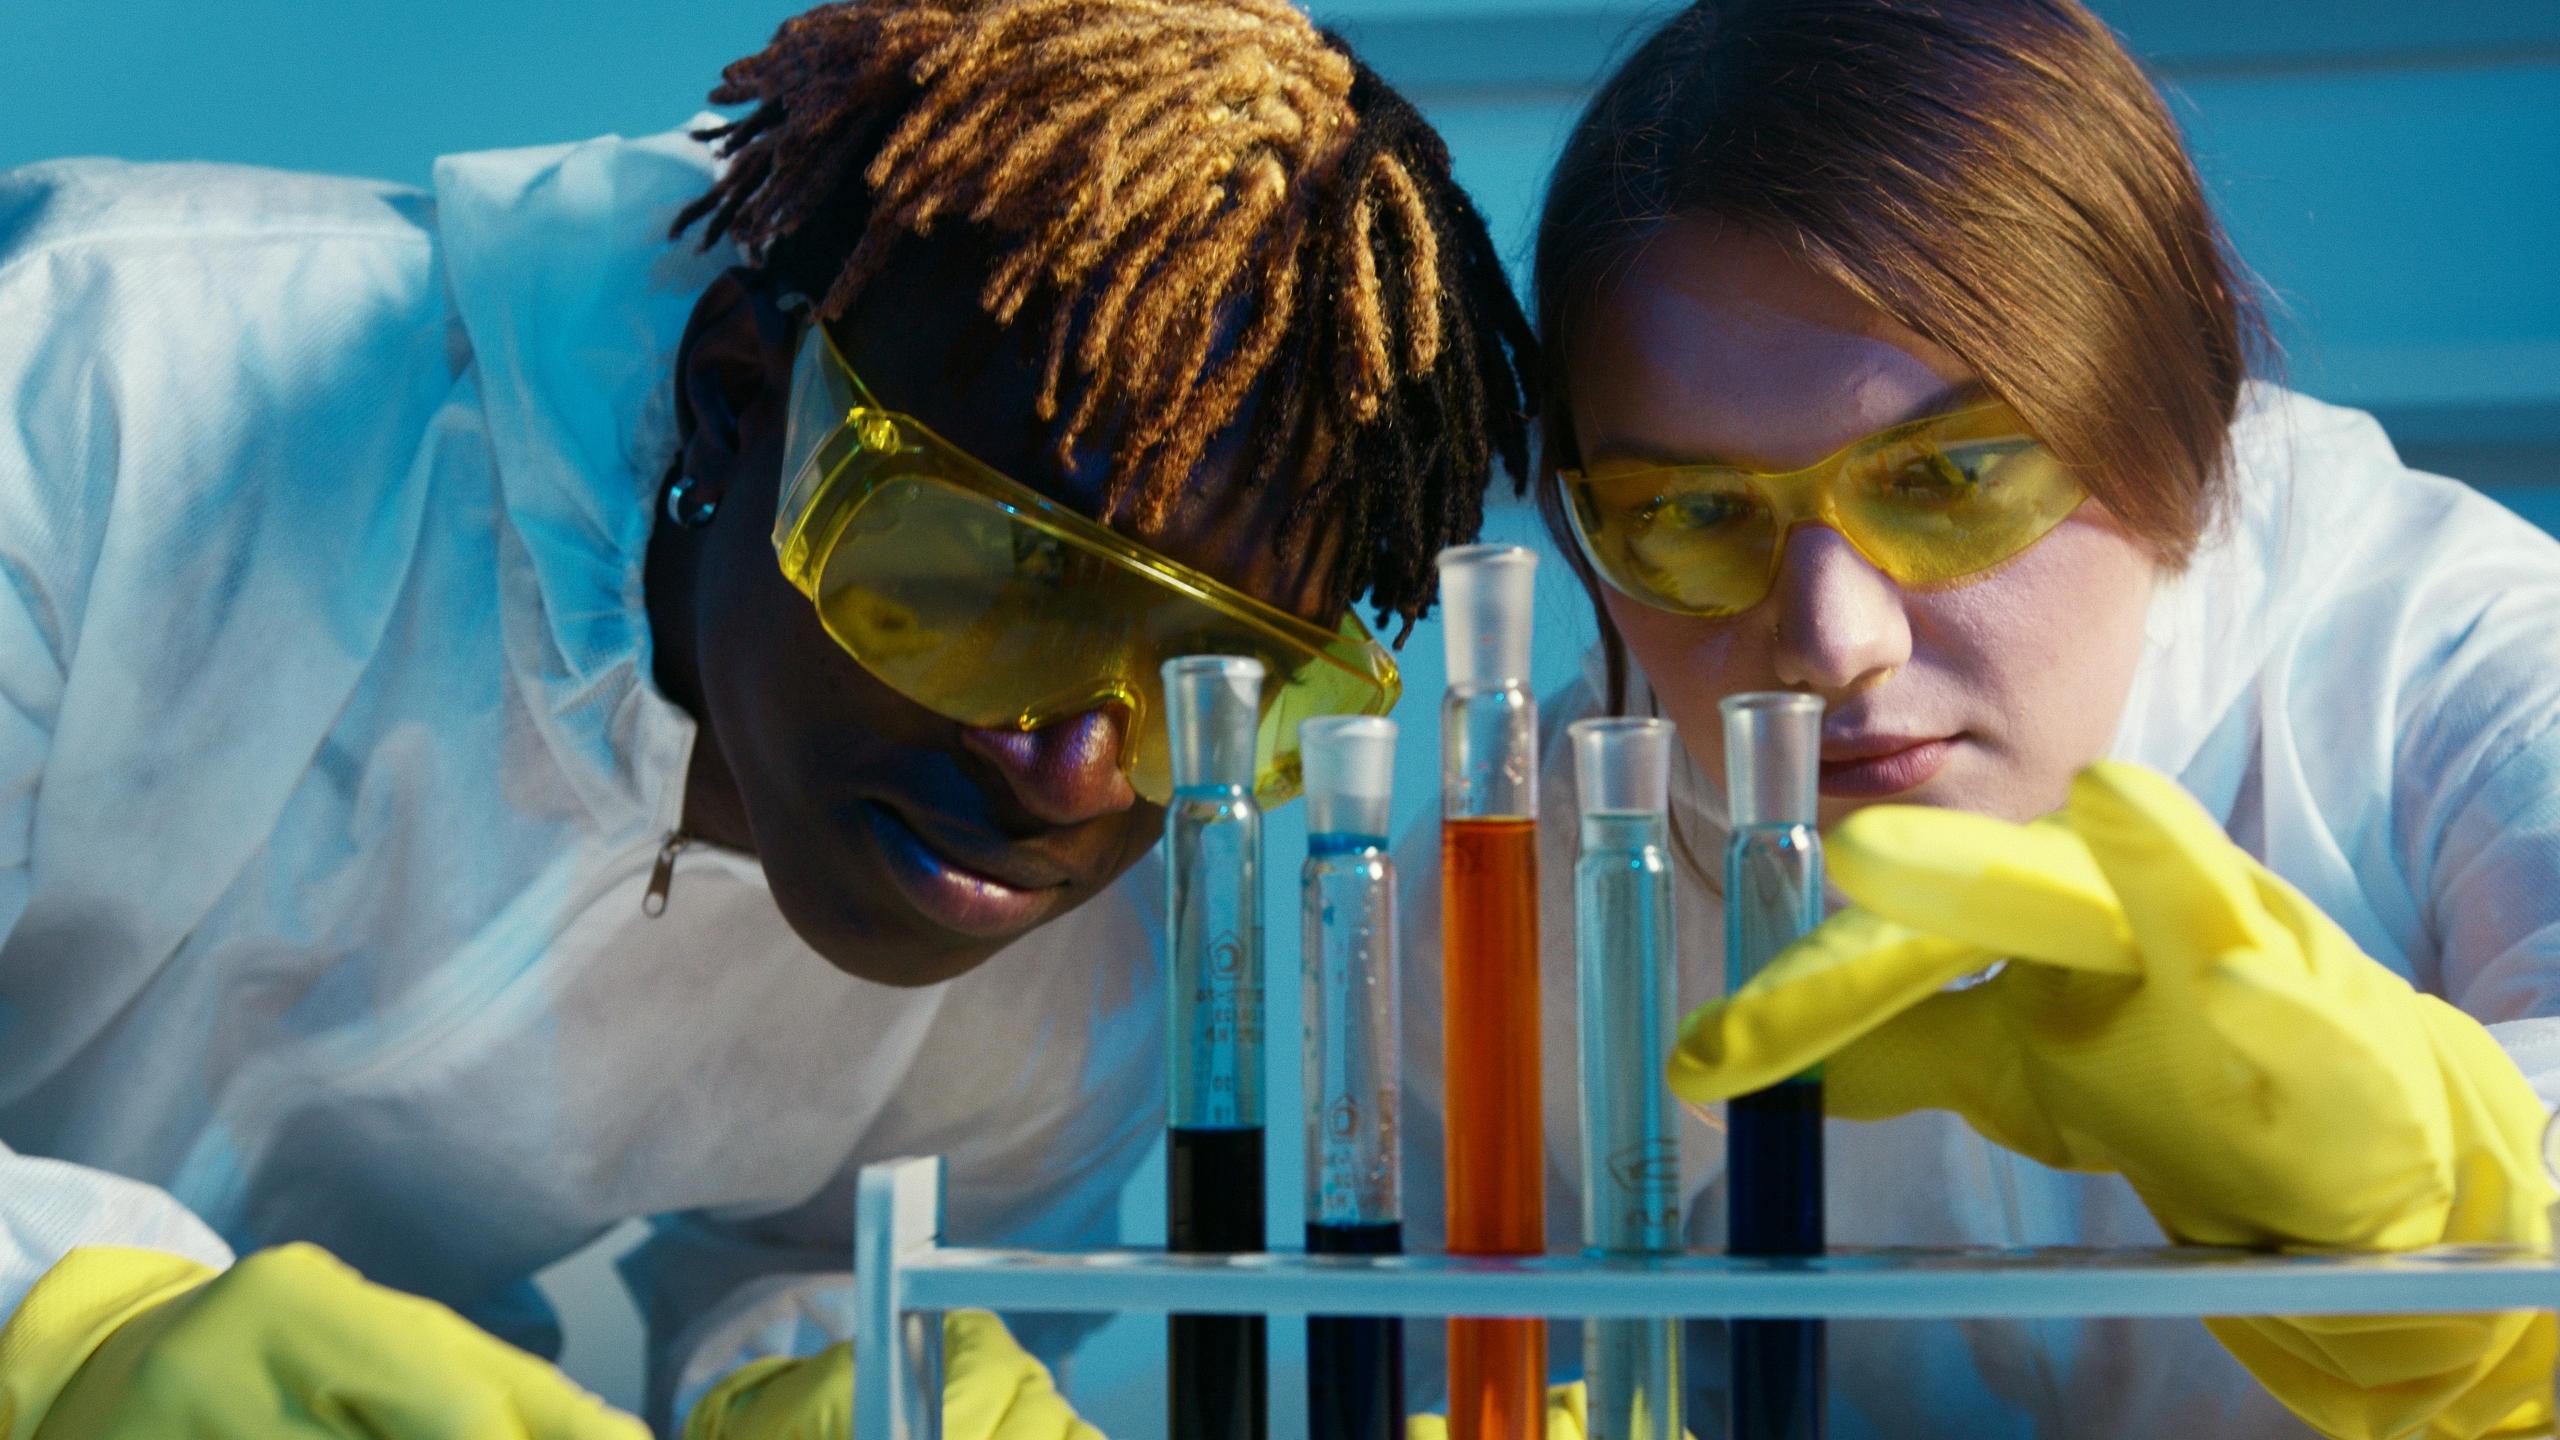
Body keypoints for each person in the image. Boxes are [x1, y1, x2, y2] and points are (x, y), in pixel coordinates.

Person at [0, 1, 1532, 1435]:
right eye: (1004, 577)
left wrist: (851, 1370)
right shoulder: (92, 382)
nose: (1072, 780)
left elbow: (803, 1284)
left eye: (1213, 672)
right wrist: (63, 1327)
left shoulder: (1069, 990)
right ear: (742, 398)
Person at [1397, 2, 2560, 1437]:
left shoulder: (2465, 674)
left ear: (2177, 423)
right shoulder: (1549, 865)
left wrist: (2446, 1190)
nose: (1831, 643)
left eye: (1947, 478)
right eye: (1689, 516)